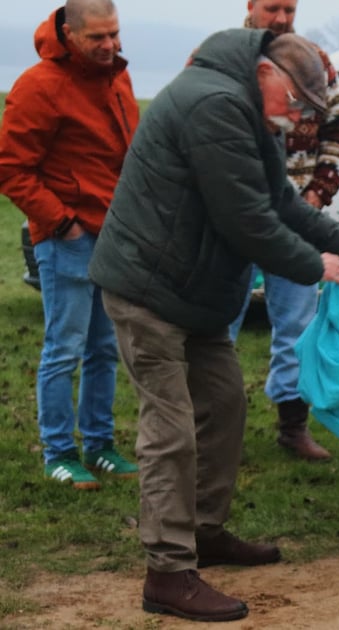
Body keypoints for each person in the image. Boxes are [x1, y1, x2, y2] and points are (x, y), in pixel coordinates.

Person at [88, 30, 339, 622]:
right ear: (267, 72)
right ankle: (166, 573)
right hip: (149, 289)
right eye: (295, 101)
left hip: (195, 295)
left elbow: (284, 202)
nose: (297, 117)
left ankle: (203, 532)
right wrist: (311, 265)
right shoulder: (214, 105)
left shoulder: (248, 109)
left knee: (223, 407)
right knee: (171, 430)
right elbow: (245, 219)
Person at [0, 0, 138, 490]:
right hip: (68, 240)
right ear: (69, 34)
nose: (109, 45)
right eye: (97, 38)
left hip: (115, 235)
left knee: (105, 346)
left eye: (114, 34)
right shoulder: (39, 86)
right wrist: (62, 224)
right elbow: (11, 168)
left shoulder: (116, 76)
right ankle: (58, 452)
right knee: (65, 347)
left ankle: (100, 446)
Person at [228, 0, 339, 461]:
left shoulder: (314, 61)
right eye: (271, 8)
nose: (281, 19)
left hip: (298, 215)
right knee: (219, 324)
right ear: (250, 7)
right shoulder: (228, 59)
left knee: (298, 328)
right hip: (234, 217)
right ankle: (213, 429)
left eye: (289, 8)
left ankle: (292, 425)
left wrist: (318, 194)